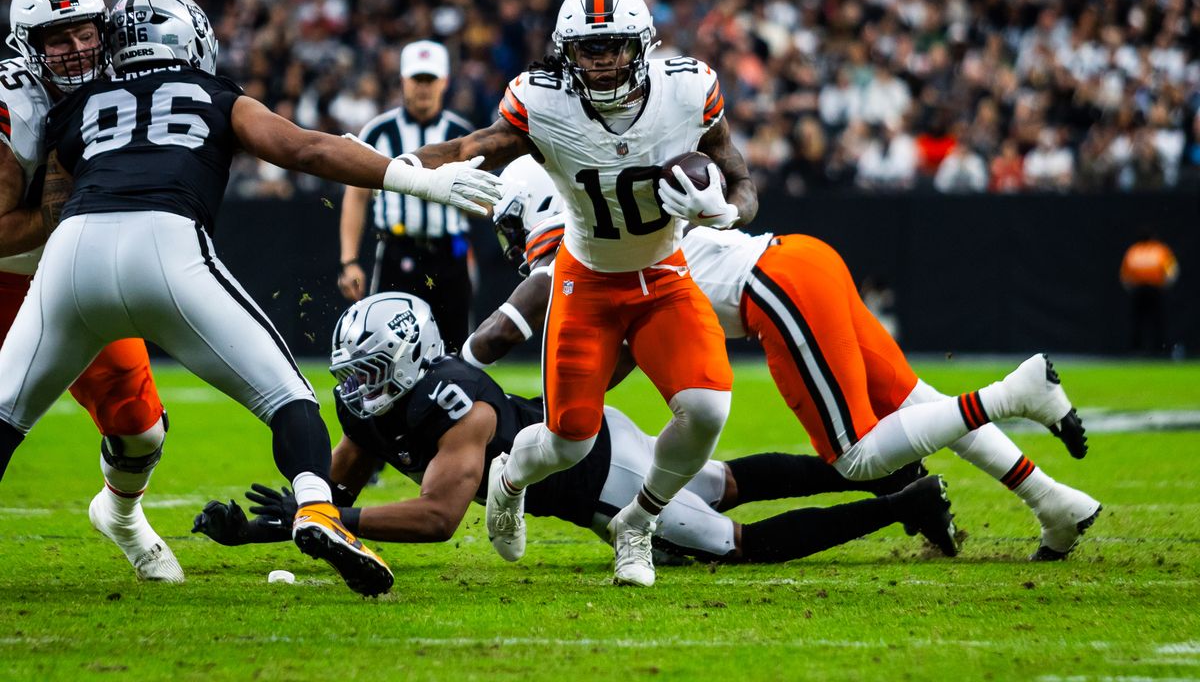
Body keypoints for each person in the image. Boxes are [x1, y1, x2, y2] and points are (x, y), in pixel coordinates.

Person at [0, 0, 501, 596]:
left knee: (5, 414)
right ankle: (316, 508)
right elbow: (305, 148)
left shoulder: (76, 105)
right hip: (166, 246)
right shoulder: (215, 94)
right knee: (289, 398)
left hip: (72, 254)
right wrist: (416, 180)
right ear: (193, 41)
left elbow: (53, 203)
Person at [465, 157, 1103, 560]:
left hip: (774, 289)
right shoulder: (620, 233)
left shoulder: (580, 253)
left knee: (858, 455)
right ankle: (1052, 503)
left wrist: (455, 366)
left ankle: (1016, 393)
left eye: (510, 224)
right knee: (916, 402)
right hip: (800, 259)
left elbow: (497, 335)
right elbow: (615, 361)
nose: (510, 241)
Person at [406, 0, 758, 586]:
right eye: (586, 49)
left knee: (706, 408)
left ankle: (638, 522)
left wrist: (727, 211)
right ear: (565, 52)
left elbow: (741, 178)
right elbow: (471, 147)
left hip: (663, 274)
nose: (599, 62)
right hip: (586, 280)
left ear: (642, 45)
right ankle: (509, 479)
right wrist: (395, 166)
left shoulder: (688, 90)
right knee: (570, 440)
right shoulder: (544, 102)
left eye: (612, 46)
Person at [190, 293, 960, 562]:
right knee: (725, 483)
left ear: (413, 358)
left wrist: (328, 518)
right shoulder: (375, 405)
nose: (356, 388)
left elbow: (436, 518)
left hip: (605, 481)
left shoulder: (459, 405)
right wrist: (272, 527)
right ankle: (881, 471)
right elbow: (339, 489)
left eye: (370, 369)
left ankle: (905, 501)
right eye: (351, 372)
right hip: (597, 441)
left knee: (734, 542)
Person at [0, 0, 180, 582]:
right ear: (29, 44)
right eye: (58, 38)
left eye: (85, 33)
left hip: (71, 272)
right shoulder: (15, 105)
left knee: (141, 429)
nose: (76, 49)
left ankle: (122, 517)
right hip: (7, 275)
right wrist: (62, 207)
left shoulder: (126, 77)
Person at [338, 40, 476, 352]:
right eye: (417, 79)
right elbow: (356, 196)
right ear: (403, 80)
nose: (423, 87)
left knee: (454, 352)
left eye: (430, 79)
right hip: (397, 251)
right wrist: (349, 261)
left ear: (444, 82)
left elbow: (486, 203)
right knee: (386, 348)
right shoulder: (378, 132)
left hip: (450, 254)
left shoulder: (463, 135)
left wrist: (457, 191)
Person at [1119, 229, 1179, 355]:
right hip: (1155, 289)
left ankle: (1136, 350)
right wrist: (1165, 285)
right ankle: (1160, 349)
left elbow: (1125, 277)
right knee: (1158, 320)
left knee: (1138, 321)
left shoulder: (1134, 251)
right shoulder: (1160, 250)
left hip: (1138, 290)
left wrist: (1132, 288)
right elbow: (1172, 271)